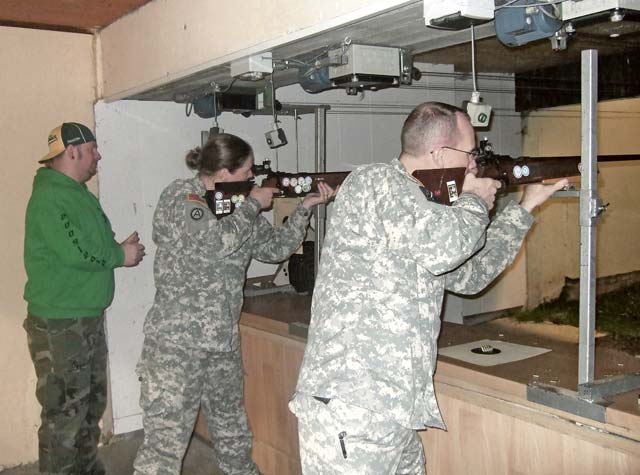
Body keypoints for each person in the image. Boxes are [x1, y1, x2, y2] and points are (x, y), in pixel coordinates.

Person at [289, 102, 569, 474]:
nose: (473, 163)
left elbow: (469, 276)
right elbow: (445, 248)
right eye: (470, 153)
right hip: (353, 410)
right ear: (439, 153)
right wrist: (473, 200)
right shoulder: (377, 183)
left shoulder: (421, 210)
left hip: (394, 411)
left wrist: (524, 208)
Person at [133, 132, 336, 475]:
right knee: (164, 449)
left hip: (221, 344)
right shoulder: (182, 197)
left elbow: (273, 249)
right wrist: (255, 203)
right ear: (224, 173)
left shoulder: (237, 205)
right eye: (246, 174)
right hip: (176, 347)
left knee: (233, 435)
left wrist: (304, 209)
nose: (251, 180)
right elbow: (214, 244)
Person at [23, 122, 146, 475]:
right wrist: (118, 256)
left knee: (89, 409)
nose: (98, 154)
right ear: (73, 151)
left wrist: (117, 248)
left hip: (83, 319)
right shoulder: (51, 195)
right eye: (93, 148)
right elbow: (74, 250)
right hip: (61, 324)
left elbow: (86, 245)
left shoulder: (74, 193)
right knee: (65, 415)